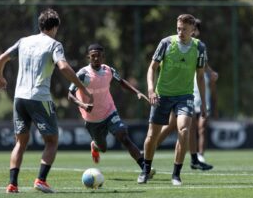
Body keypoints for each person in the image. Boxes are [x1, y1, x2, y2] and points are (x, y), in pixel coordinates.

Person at [0, 8, 92, 193]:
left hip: (19, 97)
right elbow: (63, 67)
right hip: (39, 98)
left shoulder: (23, 41)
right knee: (52, 140)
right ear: (55, 27)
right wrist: (82, 87)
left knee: (20, 142)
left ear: (40, 25)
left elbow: (1, 59)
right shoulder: (54, 45)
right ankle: (41, 180)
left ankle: (12, 184)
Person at [137, 14, 207, 186]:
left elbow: (200, 77)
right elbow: (151, 68)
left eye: (184, 29)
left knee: (183, 130)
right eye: (178, 29)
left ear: (192, 29)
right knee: (152, 135)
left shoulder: (199, 47)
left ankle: (176, 174)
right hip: (163, 95)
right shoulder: (166, 43)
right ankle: (145, 169)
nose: (180, 32)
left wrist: (204, 102)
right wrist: (151, 90)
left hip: (185, 96)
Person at [68, 43, 155, 178]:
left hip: (109, 112)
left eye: (99, 56)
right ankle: (95, 146)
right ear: (88, 57)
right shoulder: (82, 75)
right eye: (93, 56)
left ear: (103, 57)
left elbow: (121, 81)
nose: (96, 59)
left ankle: (144, 168)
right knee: (103, 148)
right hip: (92, 119)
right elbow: (70, 95)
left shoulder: (108, 70)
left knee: (124, 137)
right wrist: (83, 105)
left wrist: (137, 91)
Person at [156, 18, 218, 171]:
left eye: (196, 28)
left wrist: (210, 73)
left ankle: (197, 157)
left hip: (193, 90)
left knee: (196, 126)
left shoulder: (198, 46)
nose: (194, 31)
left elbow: (203, 65)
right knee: (174, 126)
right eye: (181, 28)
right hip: (184, 89)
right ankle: (148, 150)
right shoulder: (178, 43)